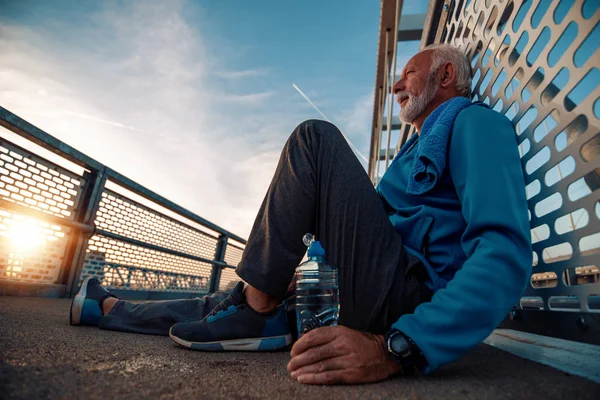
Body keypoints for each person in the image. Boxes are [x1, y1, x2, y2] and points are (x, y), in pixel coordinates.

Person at [70, 43, 532, 385]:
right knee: (240, 299)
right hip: (369, 282)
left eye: (409, 73)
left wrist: (398, 346)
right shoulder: (416, 149)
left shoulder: (475, 124)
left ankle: (259, 307)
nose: (396, 85)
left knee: (315, 139)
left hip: (408, 297)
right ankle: (109, 308)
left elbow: (503, 253)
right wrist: (304, 270)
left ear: (447, 74)